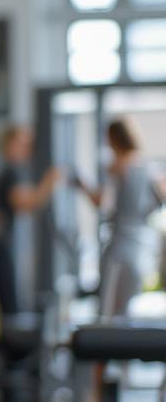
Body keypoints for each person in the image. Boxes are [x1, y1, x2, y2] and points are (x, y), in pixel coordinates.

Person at [74, 118, 164, 319]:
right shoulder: (148, 166)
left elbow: (102, 201)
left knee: (107, 309)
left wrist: (82, 185)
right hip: (141, 247)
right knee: (125, 309)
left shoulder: (118, 166)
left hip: (120, 246)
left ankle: (107, 348)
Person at [0, 124, 62, 321]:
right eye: (22, 144)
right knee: (9, 308)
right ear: (10, 144)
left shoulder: (1, 170)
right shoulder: (9, 171)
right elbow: (27, 203)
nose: (26, 149)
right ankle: (12, 350)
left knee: (7, 306)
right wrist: (50, 181)